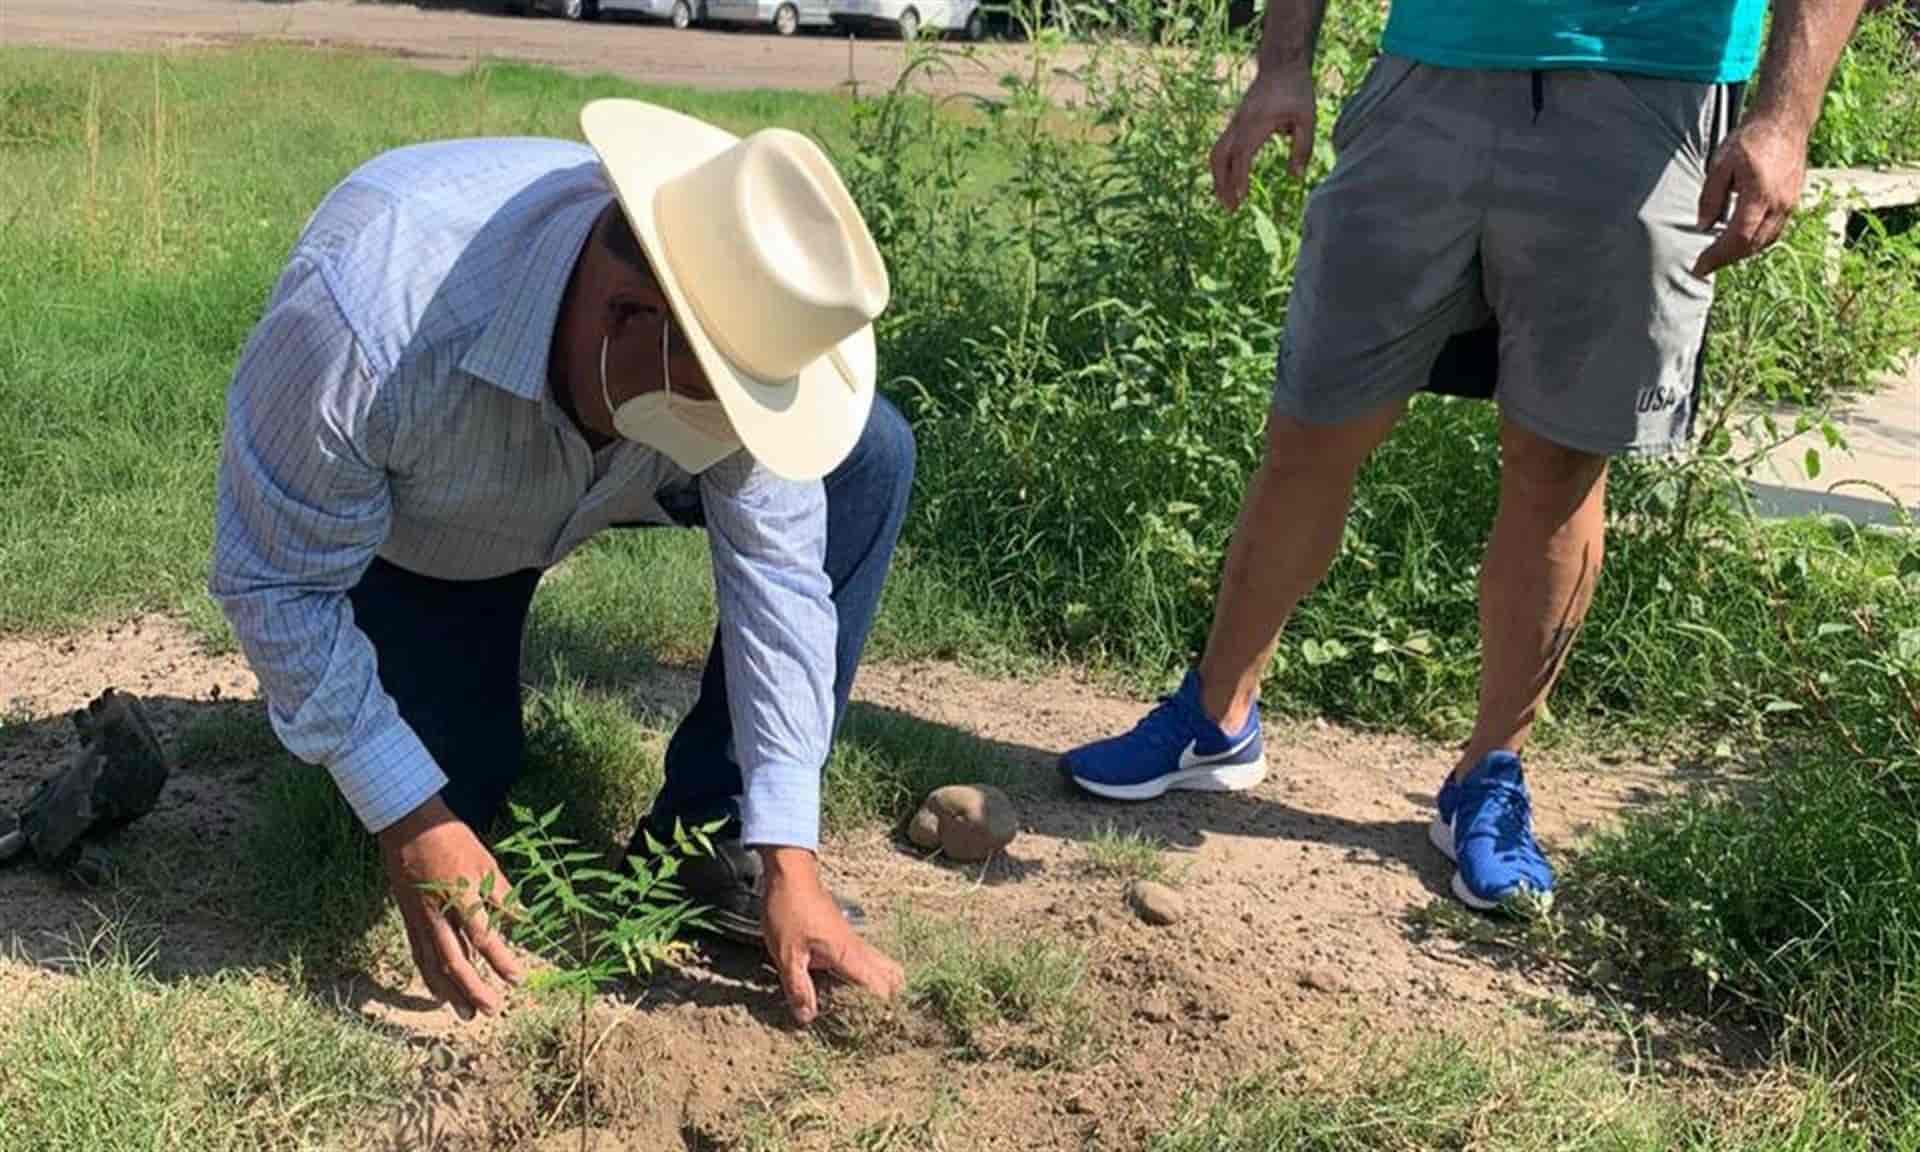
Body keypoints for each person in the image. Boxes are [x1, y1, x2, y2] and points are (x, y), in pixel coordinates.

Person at [1062, 1, 1868, 910]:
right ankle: (1214, 719)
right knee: (1312, 425)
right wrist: (1282, 61)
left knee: (1557, 467)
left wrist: (1784, 117)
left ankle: (1488, 775)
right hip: (1426, 77)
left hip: (1651, 95)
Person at [210, 99, 910, 1023]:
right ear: (628, 309)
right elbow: (277, 581)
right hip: (433, 522)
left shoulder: (730, 322)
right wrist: (413, 819)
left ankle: (712, 836)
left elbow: (778, 576)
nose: (736, 437)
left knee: (869, 452)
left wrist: (788, 848)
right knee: (447, 791)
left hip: (604, 467)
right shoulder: (369, 322)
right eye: (717, 407)